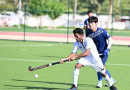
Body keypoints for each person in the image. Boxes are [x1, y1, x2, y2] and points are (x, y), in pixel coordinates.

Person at [86, 16, 116, 88]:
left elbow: (110, 40)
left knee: (100, 66)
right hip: (95, 53)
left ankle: (100, 82)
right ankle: (111, 79)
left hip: (104, 53)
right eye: (89, 23)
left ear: (96, 23)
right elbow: (88, 43)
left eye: (92, 23)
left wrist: (107, 49)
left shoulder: (102, 31)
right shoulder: (88, 32)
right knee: (99, 66)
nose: (90, 24)